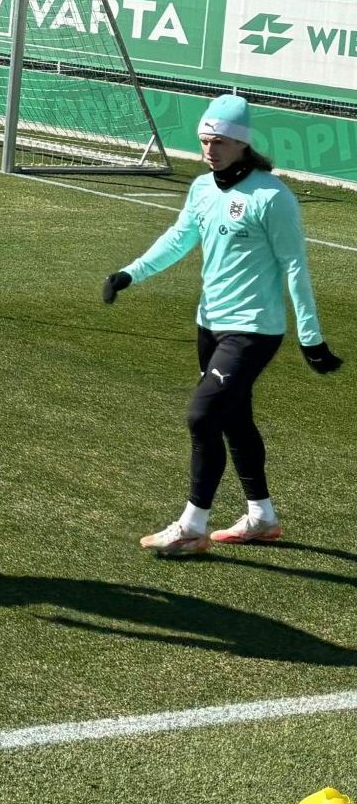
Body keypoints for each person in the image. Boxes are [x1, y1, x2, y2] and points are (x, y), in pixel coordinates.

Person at [102, 93, 340, 556]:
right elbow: (178, 238)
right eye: (205, 140)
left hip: (253, 329)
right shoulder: (201, 189)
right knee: (233, 418)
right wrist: (130, 273)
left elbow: (295, 266)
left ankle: (193, 526)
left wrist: (311, 338)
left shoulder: (272, 196)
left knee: (202, 414)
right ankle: (262, 517)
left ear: (243, 144)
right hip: (209, 324)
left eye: (221, 141)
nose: (210, 149)